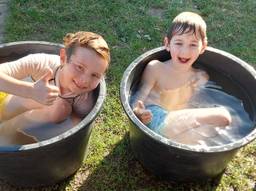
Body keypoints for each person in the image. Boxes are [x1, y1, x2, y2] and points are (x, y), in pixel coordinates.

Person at [132, 12, 231, 143]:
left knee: (217, 125)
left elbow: (193, 106)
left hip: (174, 122)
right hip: (153, 117)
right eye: (179, 43)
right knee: (223, 115)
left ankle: (177, 147)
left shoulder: (200, 77)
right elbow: (138, 98)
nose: (185, 51)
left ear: (203, 47)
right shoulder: (156, 68)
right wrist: (139, 113)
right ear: (167, 43)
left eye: (193, 45)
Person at [0, 31, 110, 144]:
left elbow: (81, 124)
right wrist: (30, 90)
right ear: (63, 58)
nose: (85, 80)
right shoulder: (42, 64)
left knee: (66, 114)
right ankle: (4, 134)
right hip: (3, 101)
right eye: (79, 67)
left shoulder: (85, 101)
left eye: (95, 75)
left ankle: (10, 133)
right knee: (60, 107)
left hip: (27, 122)